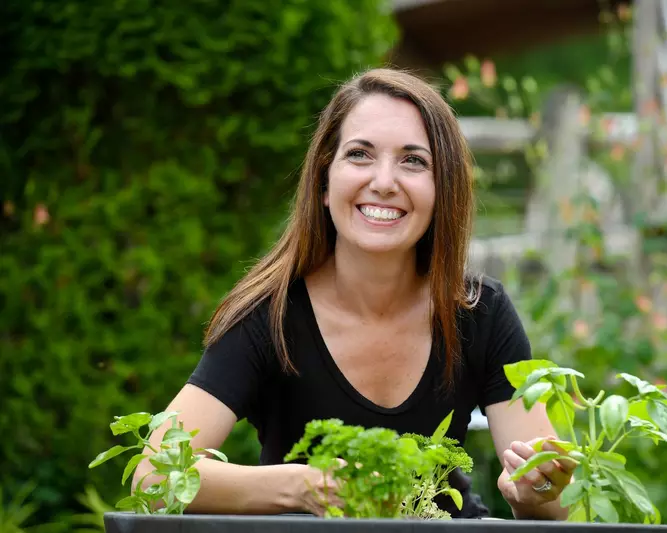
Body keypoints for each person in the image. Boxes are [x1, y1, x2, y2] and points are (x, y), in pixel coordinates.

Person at [133, 67, 575, 520]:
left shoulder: (480, 312)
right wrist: (301, 486)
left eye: (413, 161)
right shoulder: (270, 316)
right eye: (360, 154)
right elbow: (154, 476)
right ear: (324, 183)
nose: (384, 181)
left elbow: (554, 503)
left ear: (443, 191)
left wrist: (534, 490)